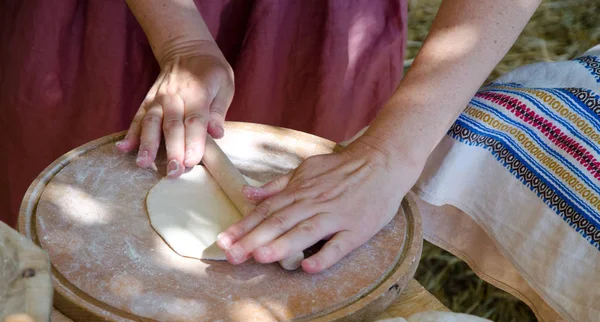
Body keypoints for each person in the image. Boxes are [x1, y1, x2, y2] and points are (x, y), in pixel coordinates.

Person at [0, 0, 542, 273]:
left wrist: (389, 153)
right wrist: (181, 39)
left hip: (314, 24)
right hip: (126, 15)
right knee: (58, 242)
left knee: (293, 236)